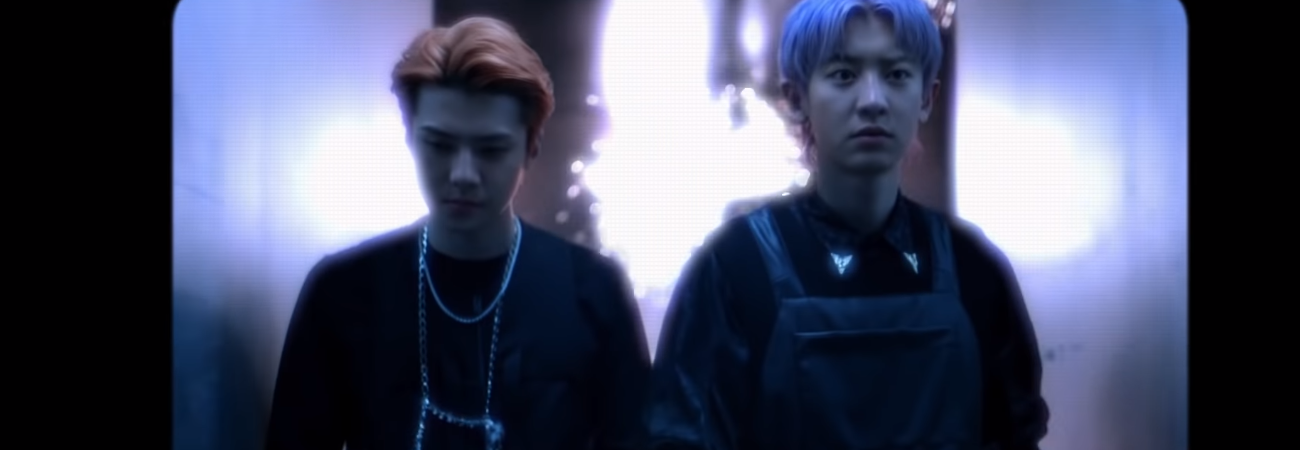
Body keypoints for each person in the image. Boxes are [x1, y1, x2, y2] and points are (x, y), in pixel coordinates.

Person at [644, 1, 1050, 449]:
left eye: (896, 74)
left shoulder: (973, 269)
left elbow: (1015, 431)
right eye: (843, 74)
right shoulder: (736, 269)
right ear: (796, 98)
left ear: (926, 98)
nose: (872, 100)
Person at [265, 17, 651, 450]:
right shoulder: (344, 291)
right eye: (440, 145)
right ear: (411, 139)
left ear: (531, 148)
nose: (463, 174)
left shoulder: (593, 290)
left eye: (490, 150)